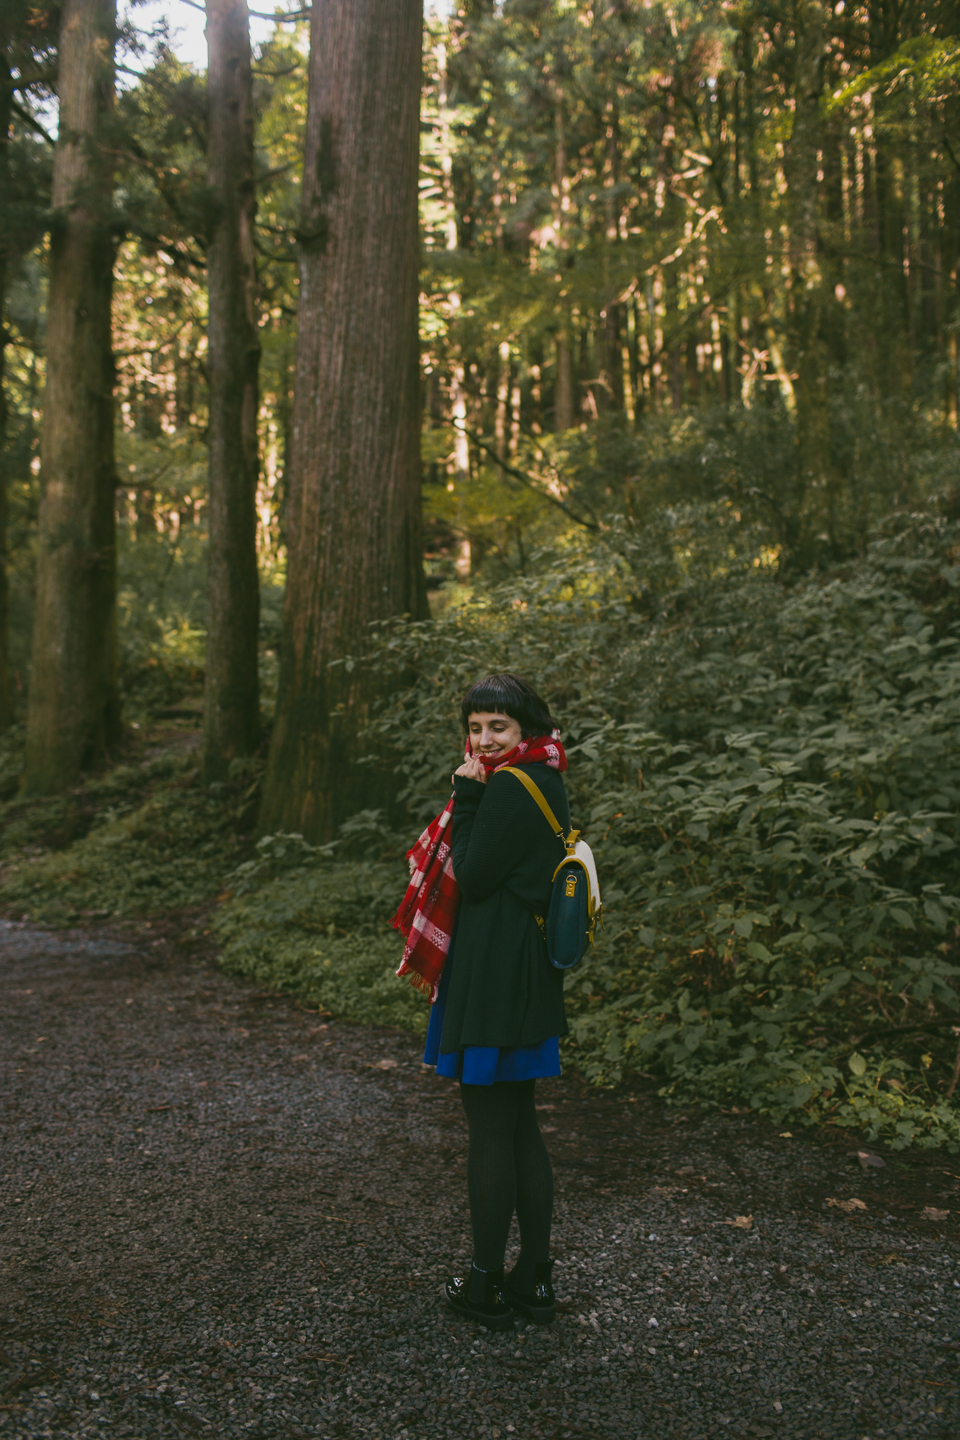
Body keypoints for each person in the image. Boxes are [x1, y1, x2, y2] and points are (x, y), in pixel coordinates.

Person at [392, 673, 571, 1330]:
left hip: (495, 969)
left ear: (526, 729)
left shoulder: (508, 789)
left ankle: (486, 1285)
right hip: (522, 966)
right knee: (520, 1124)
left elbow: (471, 872)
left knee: (492, 1128)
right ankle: (536, 1278)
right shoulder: (546, 777)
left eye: (499, 726)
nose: (484, 738)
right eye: (475, 726)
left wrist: (466, 795)